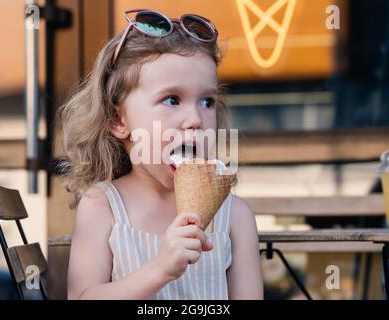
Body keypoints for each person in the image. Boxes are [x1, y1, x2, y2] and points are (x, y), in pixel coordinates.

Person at [58, 9, 263, 300]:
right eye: (172, 99)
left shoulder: (234, 216)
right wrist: (160, 270)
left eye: (207, 101)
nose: (195, 118)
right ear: (118, 120)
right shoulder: (103, 206)